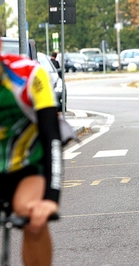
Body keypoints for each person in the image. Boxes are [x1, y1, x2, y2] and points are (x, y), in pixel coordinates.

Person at [0, 37, 62, 265]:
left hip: (25, 167)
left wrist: (50, 198)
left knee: (33, 215)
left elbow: (51, 137)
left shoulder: (29, 75)